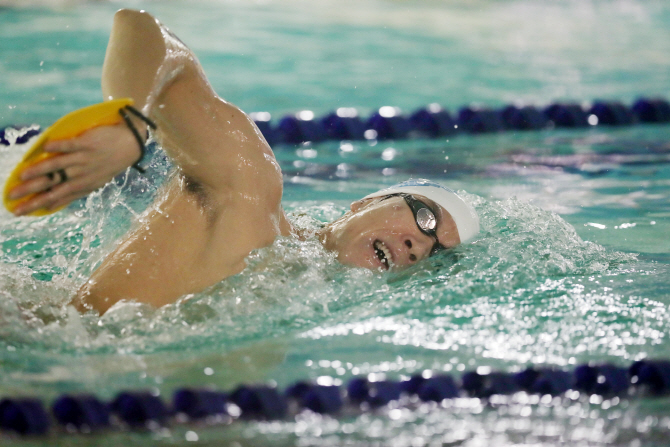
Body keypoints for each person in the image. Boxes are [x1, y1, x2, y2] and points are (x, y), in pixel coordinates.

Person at [7, 9, 479, 314]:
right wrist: (130, 121)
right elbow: (144, 29)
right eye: (424, 216)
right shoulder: (250, 191)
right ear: (362, 203)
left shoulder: (307, 303)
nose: (420, 245)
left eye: (435, 254)